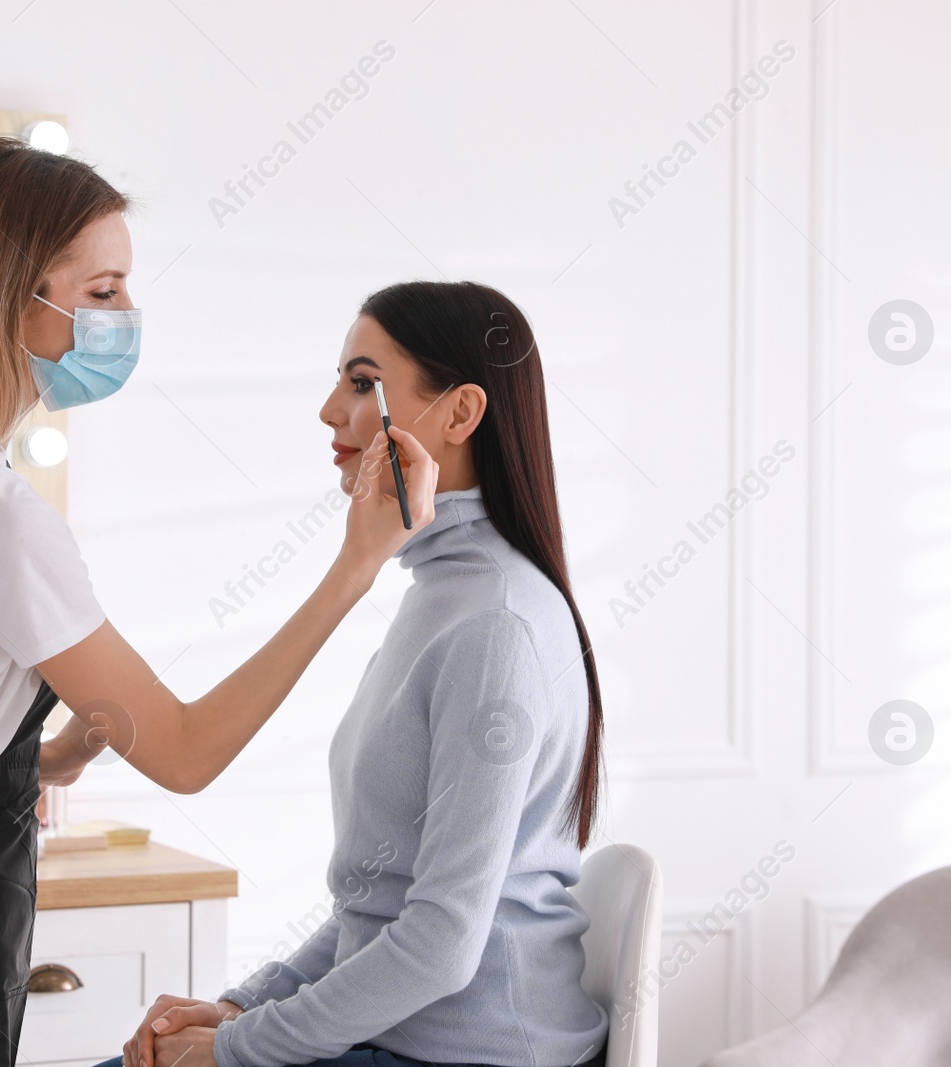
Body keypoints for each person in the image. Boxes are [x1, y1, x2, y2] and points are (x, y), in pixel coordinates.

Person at [0, 136, 436, 1067]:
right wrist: (355, 564)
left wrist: (33, 756)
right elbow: (185, 754)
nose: (127, 316)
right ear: (5, 300)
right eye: (102, 292)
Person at [110, 281, 611, 1067]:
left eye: (362, 382)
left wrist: (235, 1047)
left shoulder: (495, 624)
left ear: (459, 413)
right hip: (402, 1037)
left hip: (473, 1053)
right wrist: (247, 1002)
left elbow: (440, 943)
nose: (330, 410)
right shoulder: (441, 593)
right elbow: (380, 902)